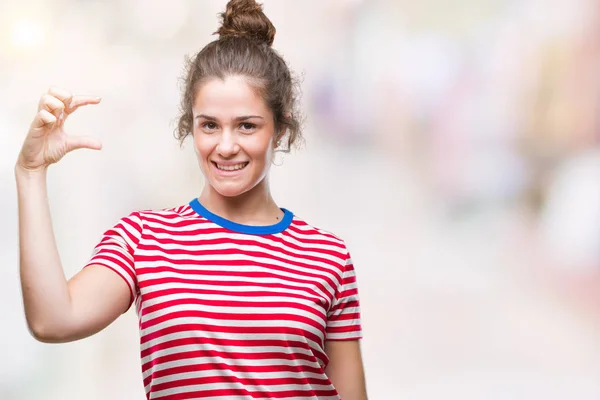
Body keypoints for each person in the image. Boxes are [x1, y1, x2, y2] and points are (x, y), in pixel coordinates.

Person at [15, 0, 368, 399]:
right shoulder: (144, 239)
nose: (226, 145)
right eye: (210, 126)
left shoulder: (327, 256)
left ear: (280, 129)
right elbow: (52, 320)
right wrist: (30, 173)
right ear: (191, 127)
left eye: (247, 126)